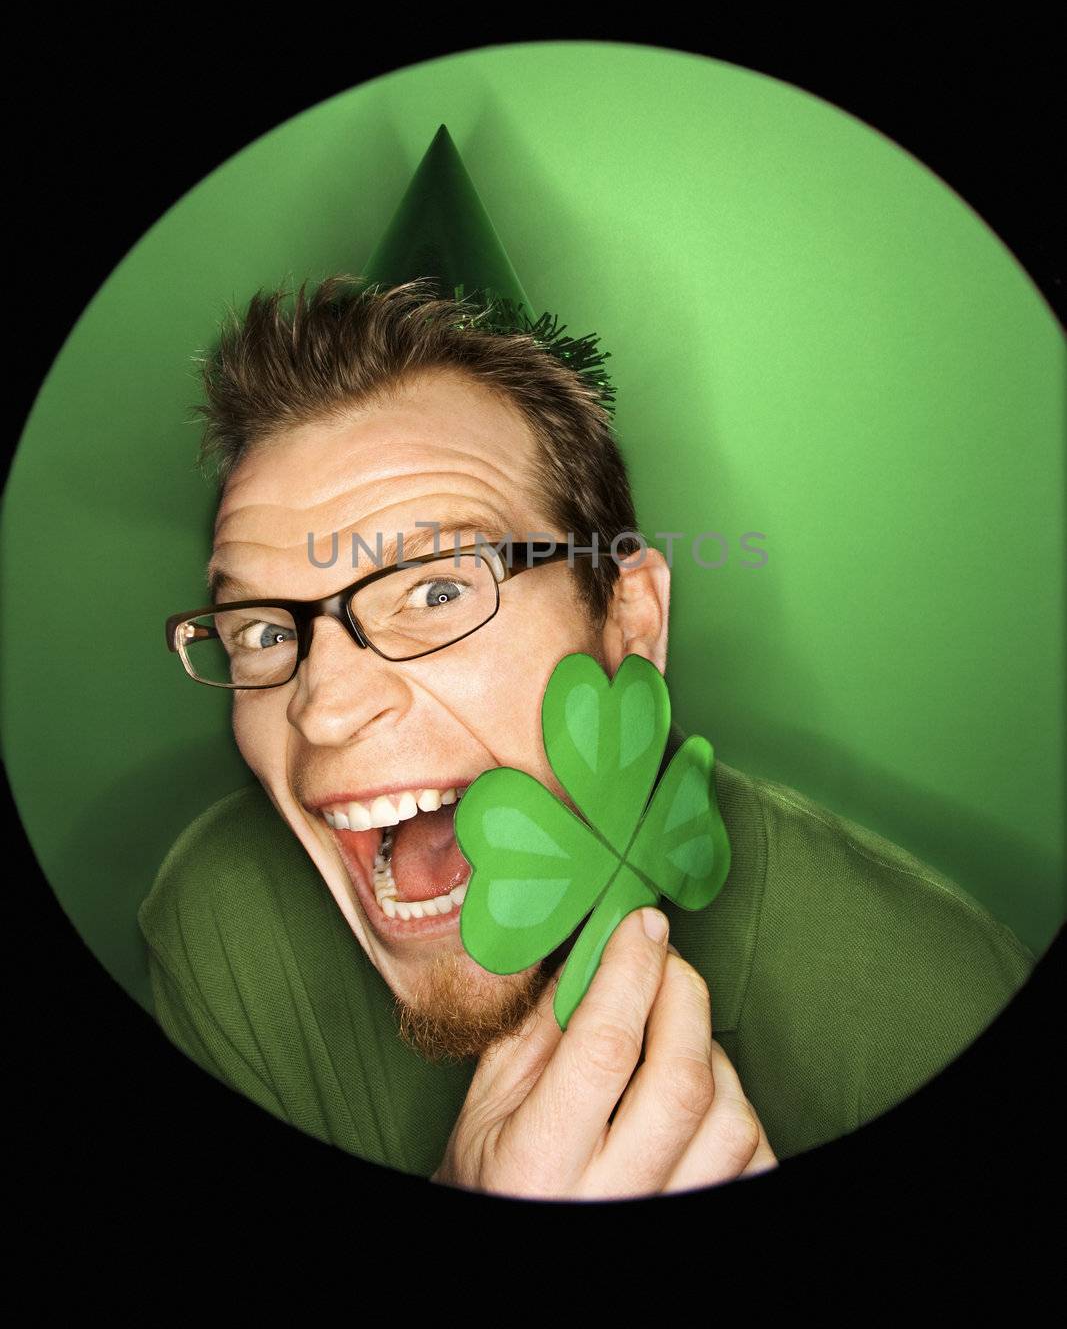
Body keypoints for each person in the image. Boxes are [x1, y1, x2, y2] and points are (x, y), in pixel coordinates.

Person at [139, 136, 1034, 1199]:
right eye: (262, 633)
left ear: (627, 619)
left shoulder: (931, 1002)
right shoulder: (221, 923)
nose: (320, 706)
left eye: (434, 587)